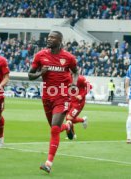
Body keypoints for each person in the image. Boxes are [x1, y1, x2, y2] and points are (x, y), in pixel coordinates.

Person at [28, 31, 78, 173]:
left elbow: (75, 71)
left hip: (62, 95)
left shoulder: (68, 57)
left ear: (60, 40)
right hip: (47, 96)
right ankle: (68, 126)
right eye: (48, 37)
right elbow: (30, 75)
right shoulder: (40, 55)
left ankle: (48, 163)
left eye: (52, 37)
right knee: (53, 128)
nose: (49, 39)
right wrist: (40, 73)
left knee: (55, 128)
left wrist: (74, 83)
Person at [65, 75, 92, 139]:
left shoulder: (80, 78)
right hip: (71, 101)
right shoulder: (67, 77)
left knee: (69, 118)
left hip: (78, 103)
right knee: (68, 119)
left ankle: (72, 134)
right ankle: (73, 134)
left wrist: (82, 95)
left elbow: (89, 86)